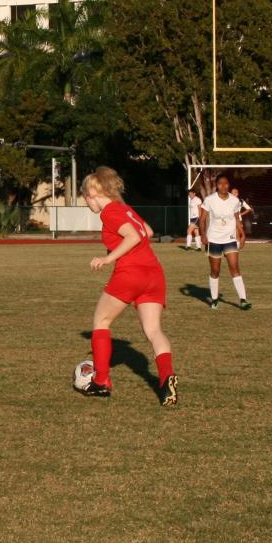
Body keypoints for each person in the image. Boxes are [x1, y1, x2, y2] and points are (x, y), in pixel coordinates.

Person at [79, 166, 178, 405]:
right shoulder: (125, 209)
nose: (87, 205)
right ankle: (167, 379)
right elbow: (148, 231)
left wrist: (107, 258)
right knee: (153, 330)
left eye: (85, 199)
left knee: (101, 322)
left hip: (130, 273)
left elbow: (133, 237)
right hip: (154, 273)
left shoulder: (109, 212)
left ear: (92, 193)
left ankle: (101, 381)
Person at [201, 174, 251, 310]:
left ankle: (243, 300)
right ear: (217, 185)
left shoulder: (235, 200)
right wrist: (203, 235)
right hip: (214, 239)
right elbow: (202, 219)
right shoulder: (209, 200)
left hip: (229, 239)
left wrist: (242, 233)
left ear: (228, 185)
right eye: (220, 184)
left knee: (235, 268)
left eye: (226, 183)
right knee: (215, 271)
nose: (223, 186)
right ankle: (214, 299)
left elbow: (236, 217)